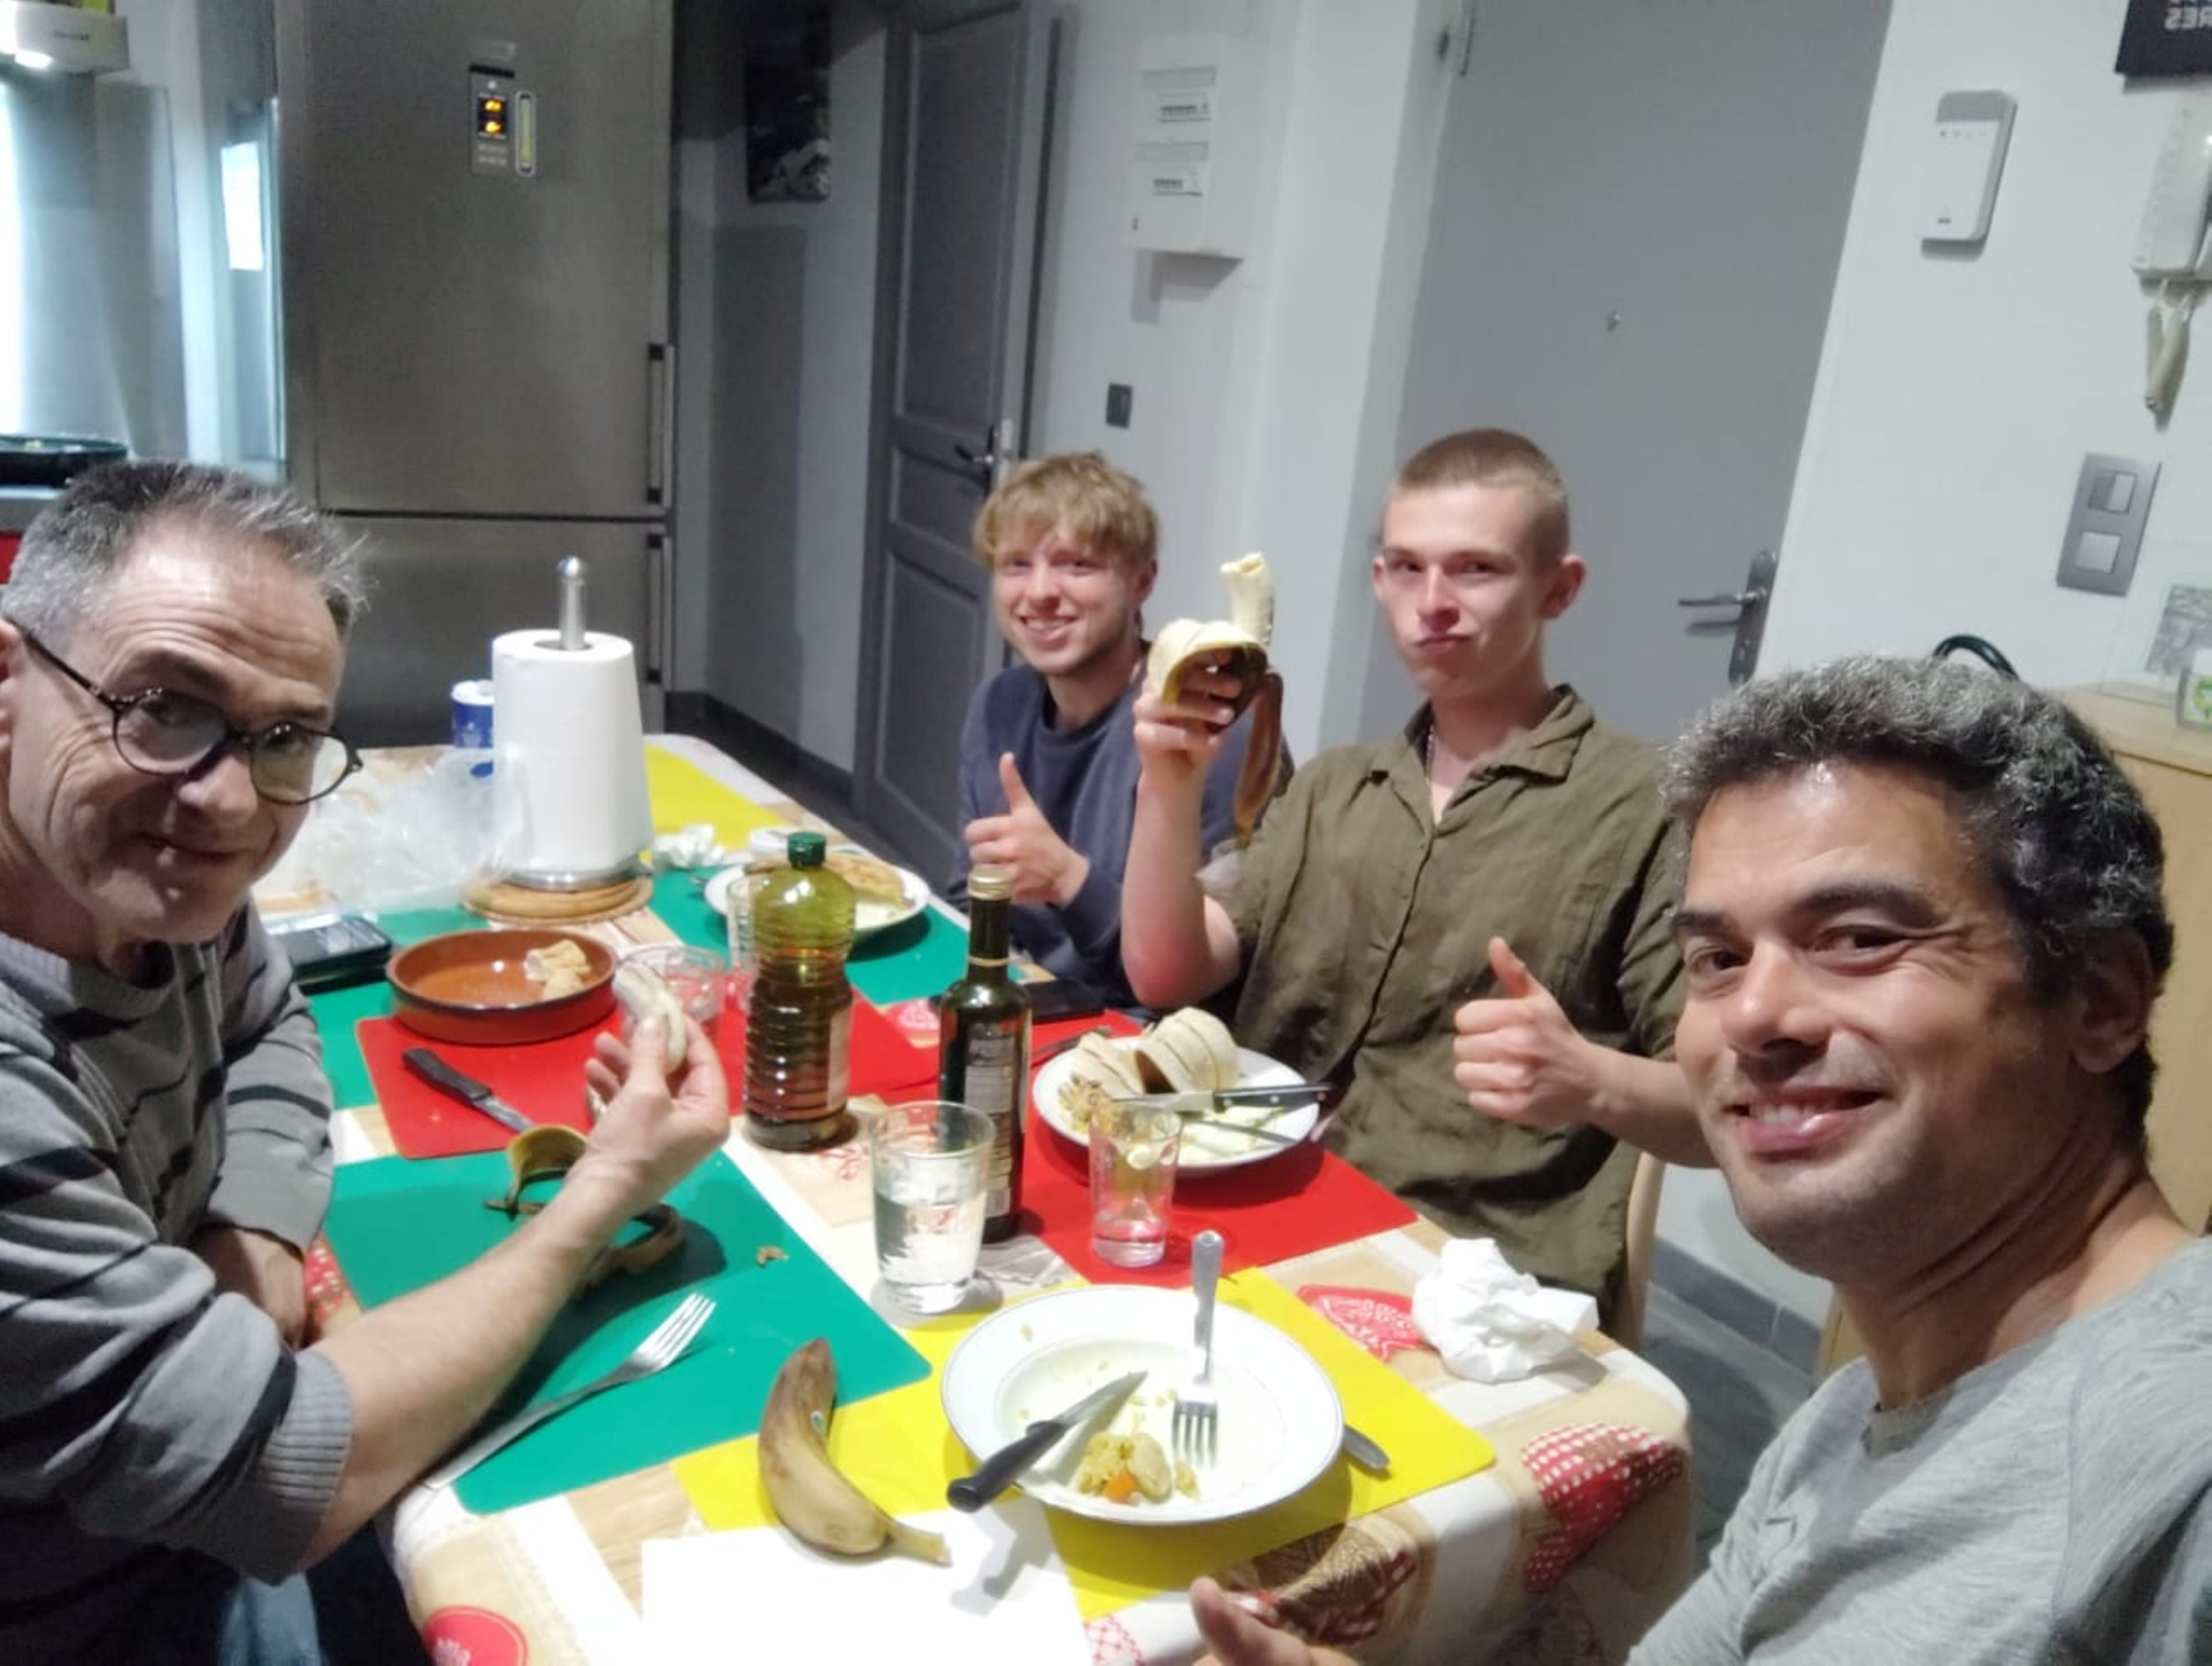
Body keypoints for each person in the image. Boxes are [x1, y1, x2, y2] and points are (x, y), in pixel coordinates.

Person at [1192, 656, 2210, 1664]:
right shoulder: (1842, 1422)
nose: (1754, 1014)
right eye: (1718, 958)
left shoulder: (2173, 1478)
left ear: (2101, 1000)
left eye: (1857, 937)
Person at [0, 462, 728, 1663]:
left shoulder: (164, 883)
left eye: (284, 737)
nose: (227, 799)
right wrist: (601, 1193)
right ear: (12, 682)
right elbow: (284, 1469)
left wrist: (258, 1246)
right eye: (164, 704)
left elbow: (272, 1024)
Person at [1123, 429, 1701, 1311]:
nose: (1431, 602)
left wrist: (1589, 1077)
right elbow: (1166, 970)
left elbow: (1721, 1106)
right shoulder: (1332, 787)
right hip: (1265, 1201)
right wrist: (1166, 789)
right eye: (1405, 567)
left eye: (1475, 569)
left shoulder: (1641, 807)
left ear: (1559, 586)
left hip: (1471, 1268)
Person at [953, 451, 1279, 1006]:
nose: (1039, 593)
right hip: (1026, 1008)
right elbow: (968, 899)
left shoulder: (1206, 728)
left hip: (1147, 1044)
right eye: (1015, 565)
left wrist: (1068, 881)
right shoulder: (998, 705)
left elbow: (1195, 980)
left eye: (1076, 565)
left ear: (1143, 581)